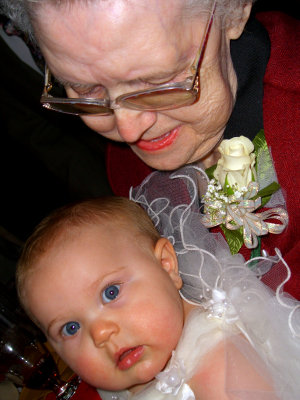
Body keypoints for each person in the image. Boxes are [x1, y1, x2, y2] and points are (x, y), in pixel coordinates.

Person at [1, 0, 299, 297]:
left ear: (233, 10)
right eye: (85, 89)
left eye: (157, 82)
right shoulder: (127, 166)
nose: (128, 130)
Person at [16, 182, 300, 400]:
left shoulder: (216, 359)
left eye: (110, 293)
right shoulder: (134, 373)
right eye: (71, 327)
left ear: (166, 265)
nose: (100, 334)